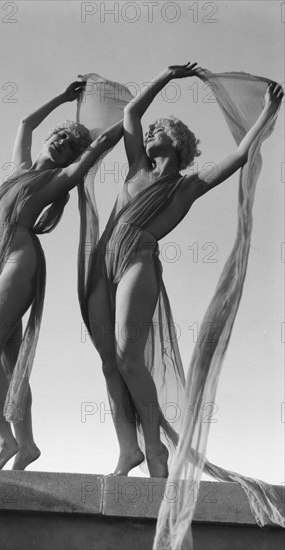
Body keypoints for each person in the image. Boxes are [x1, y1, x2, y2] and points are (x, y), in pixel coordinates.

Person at [80, 63, 283, 478]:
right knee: (107, 361)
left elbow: (241, 154)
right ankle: (128, 451)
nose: (150, 133)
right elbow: (132, 115)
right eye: (152, 131)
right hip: (102, 259)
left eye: (160, 131)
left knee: (127, 355)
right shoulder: (137, 167)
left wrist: (266, 112)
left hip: (138, 255)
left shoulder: (188, 184)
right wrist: (166, 78)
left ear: (178, 142)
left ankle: (154, 448)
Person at [0, 80, 123, 470]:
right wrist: (63, 98)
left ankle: (2, 440)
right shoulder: (21, 168)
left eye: (68, 144)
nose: (60, 142)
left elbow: (99, 147)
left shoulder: (58, 180)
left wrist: (130, 115)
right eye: (59, 136)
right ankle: (27, 444)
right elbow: (25, 124)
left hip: (19, 255)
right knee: (9, 360)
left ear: (70, 158)